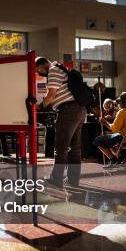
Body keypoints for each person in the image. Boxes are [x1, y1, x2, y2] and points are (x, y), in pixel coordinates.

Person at [35, 57, 87, 188]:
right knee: (75, 148)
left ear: (41, 66)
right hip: (79, 109)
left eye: (38, 70)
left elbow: (51, 95)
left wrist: (39, 106)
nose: (39, 73)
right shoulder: (61, 68)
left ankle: (55, 179)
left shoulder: (53, 70)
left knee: (61, 147)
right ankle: (73, 180)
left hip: (68, 110)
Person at [93, 92, 126, 165]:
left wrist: (105, 122)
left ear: (123, 103)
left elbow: (114, 129)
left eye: (120, 102)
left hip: (124, 137)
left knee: (98, 140)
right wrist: (113, 118)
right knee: (108, 137)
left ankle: (113, 160)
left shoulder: (122, 112)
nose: (119, 104)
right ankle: (118, 157)